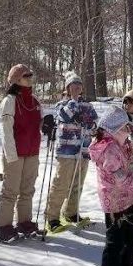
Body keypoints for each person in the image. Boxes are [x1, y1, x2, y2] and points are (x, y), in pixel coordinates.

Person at [0, 63, 53, 241]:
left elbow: (37, 124)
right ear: (16, 80)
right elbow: (6, 130)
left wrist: (46, 124)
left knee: (28, 189)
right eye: (26, 76)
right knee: (10, 190)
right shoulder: (9, 101)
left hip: (32, 151)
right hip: (15, 153)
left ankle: (25, 222)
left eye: (30, 75)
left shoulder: (34, 101)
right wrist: (10, 155)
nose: (30, 78)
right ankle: (3, 225)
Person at [89, 105, 133, 266]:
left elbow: (130, 160)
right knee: (116, 241)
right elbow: (119, 179)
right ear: (113, 130)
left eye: (128, 127)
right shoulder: (109, 150)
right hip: (114, 201)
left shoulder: (121, 143)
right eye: (124, 128)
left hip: (127, 199)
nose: (128, 131)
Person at [44, 71, 97, 231]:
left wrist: (90, 125)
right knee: (61, 183)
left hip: (83, 149)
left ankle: (71, 212)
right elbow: (64, 117)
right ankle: (52, 217)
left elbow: (95, 124)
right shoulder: (62, 104)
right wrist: (73, 101)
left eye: (79, 85)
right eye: (73, 85)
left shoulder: (88, 105)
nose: (77, 88)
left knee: (78, 184)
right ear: (67, 88)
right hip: (67, 151)